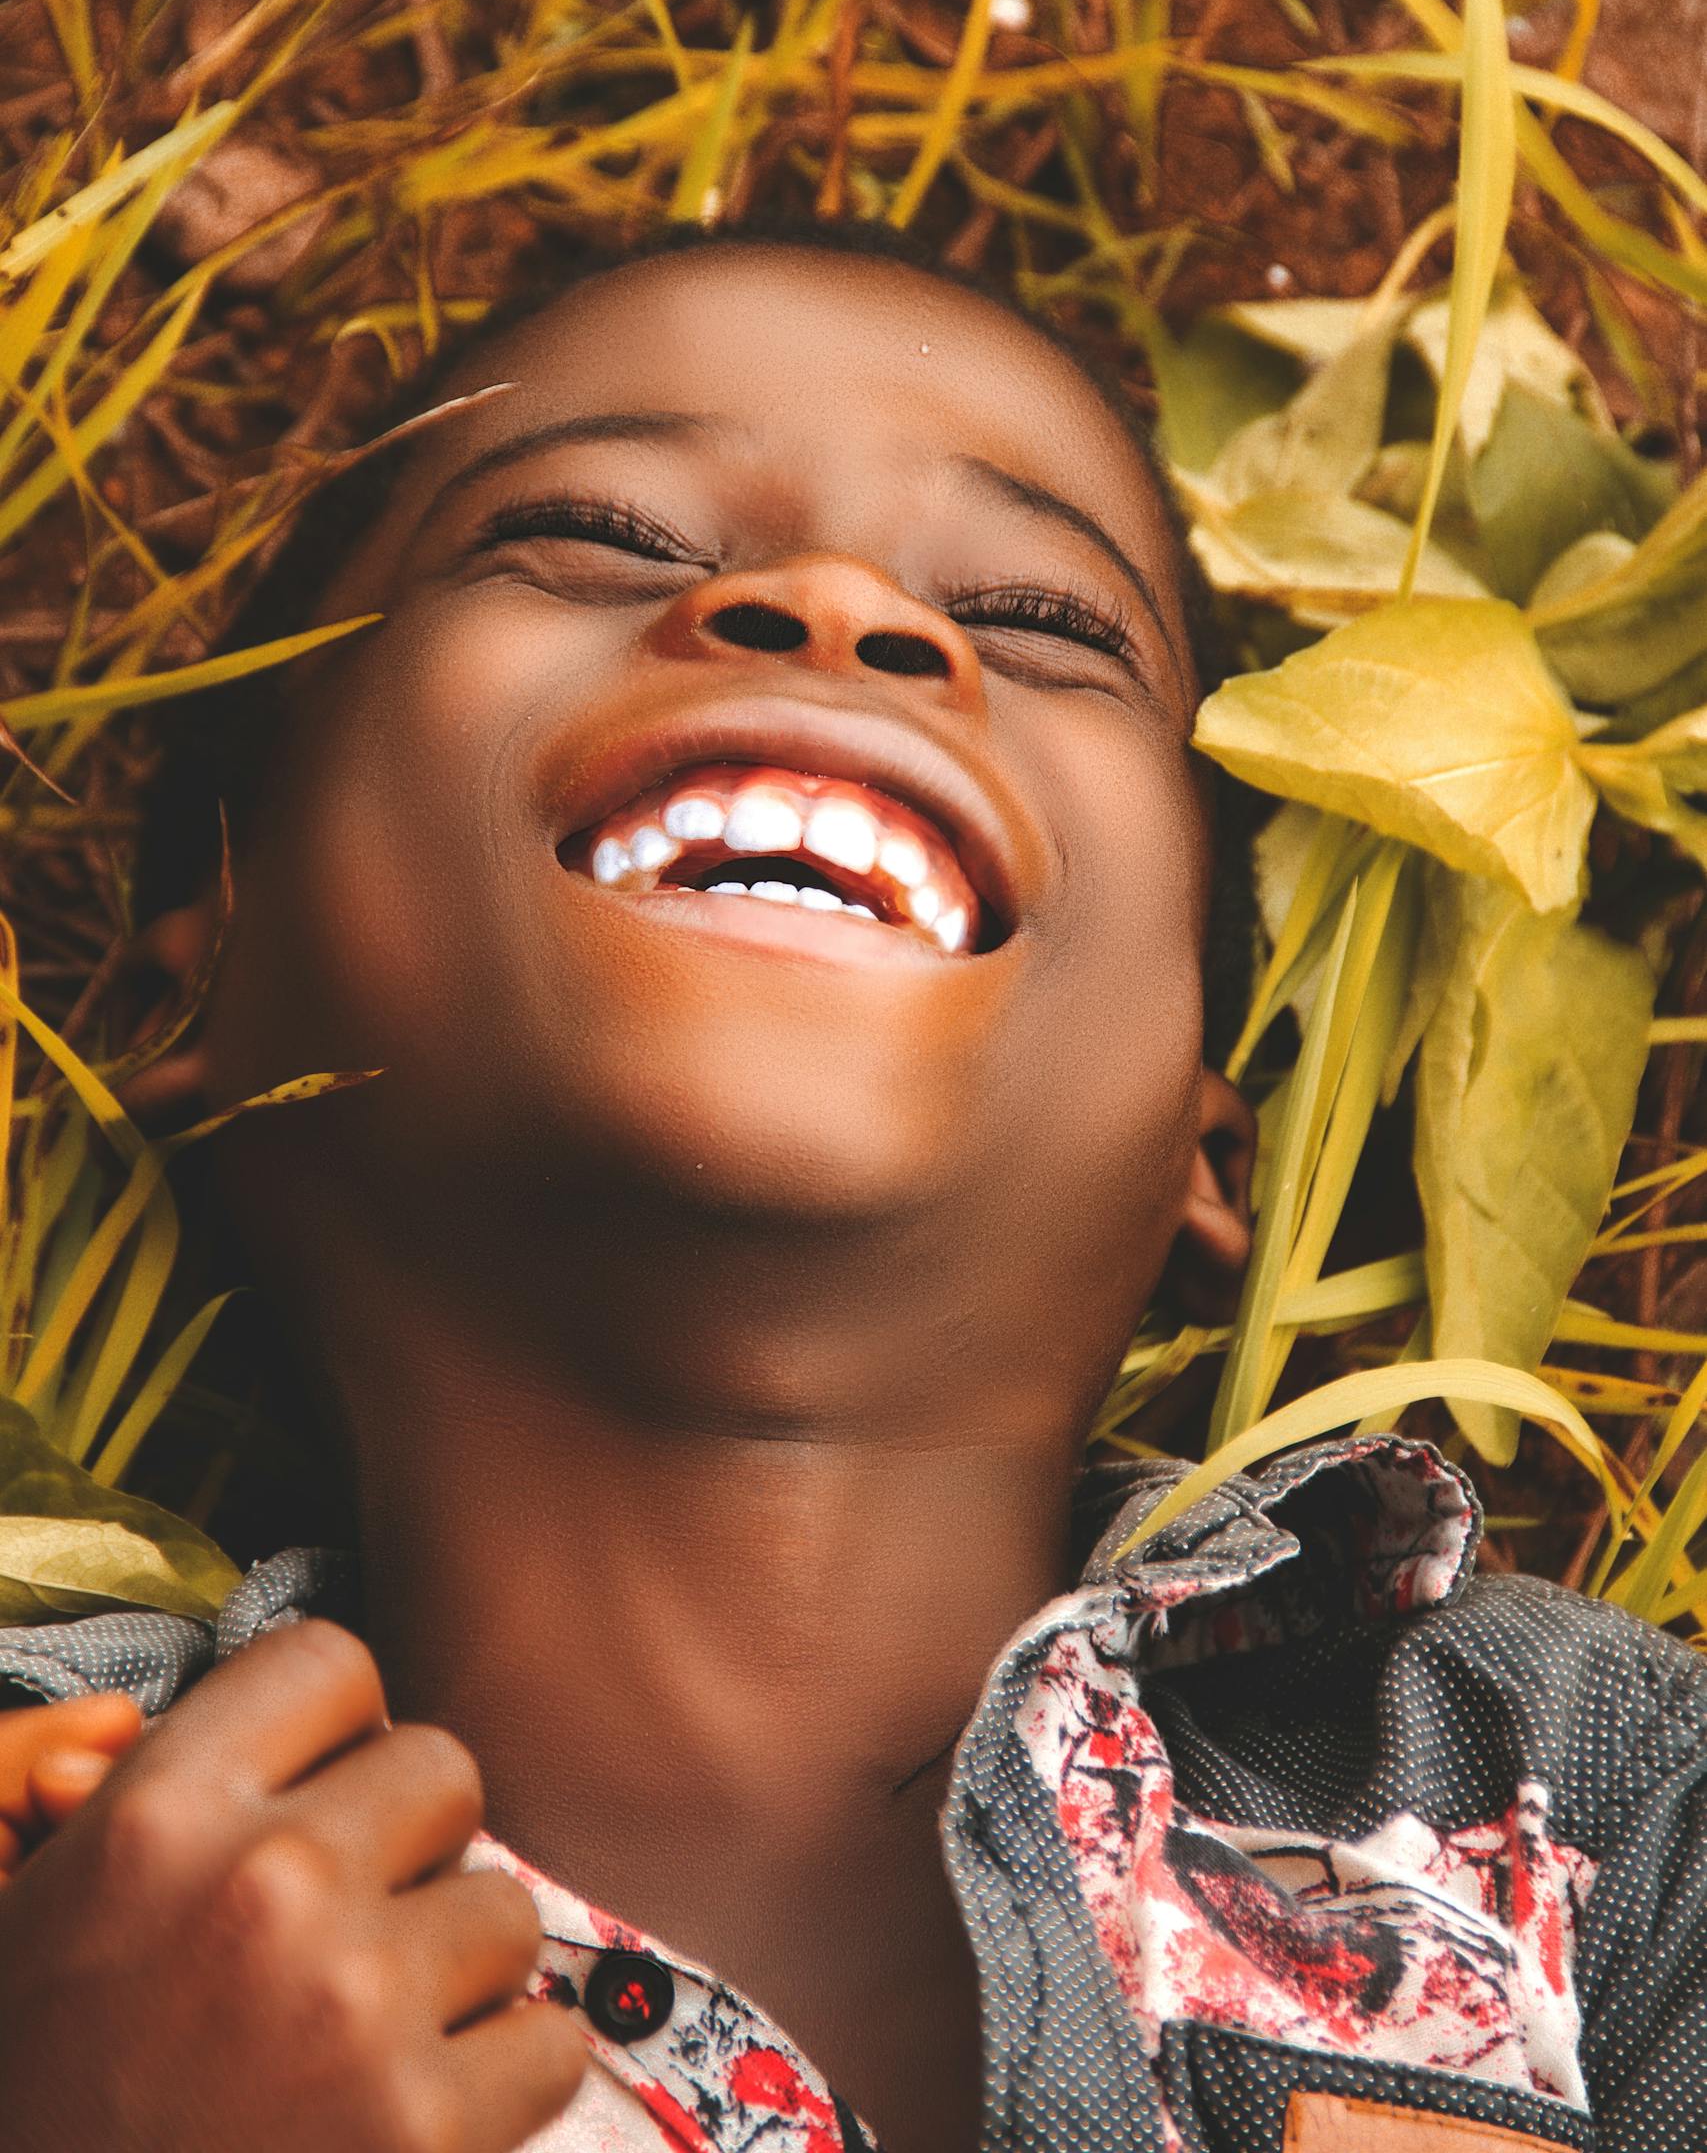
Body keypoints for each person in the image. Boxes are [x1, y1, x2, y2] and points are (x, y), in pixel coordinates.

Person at [1, 223, 1703, 2153]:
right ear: (196, 986)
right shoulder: (47, 1888)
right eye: (603, 535)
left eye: (1047, 624)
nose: (838, 608)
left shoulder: (1622, 1820)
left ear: (1199, 1147)